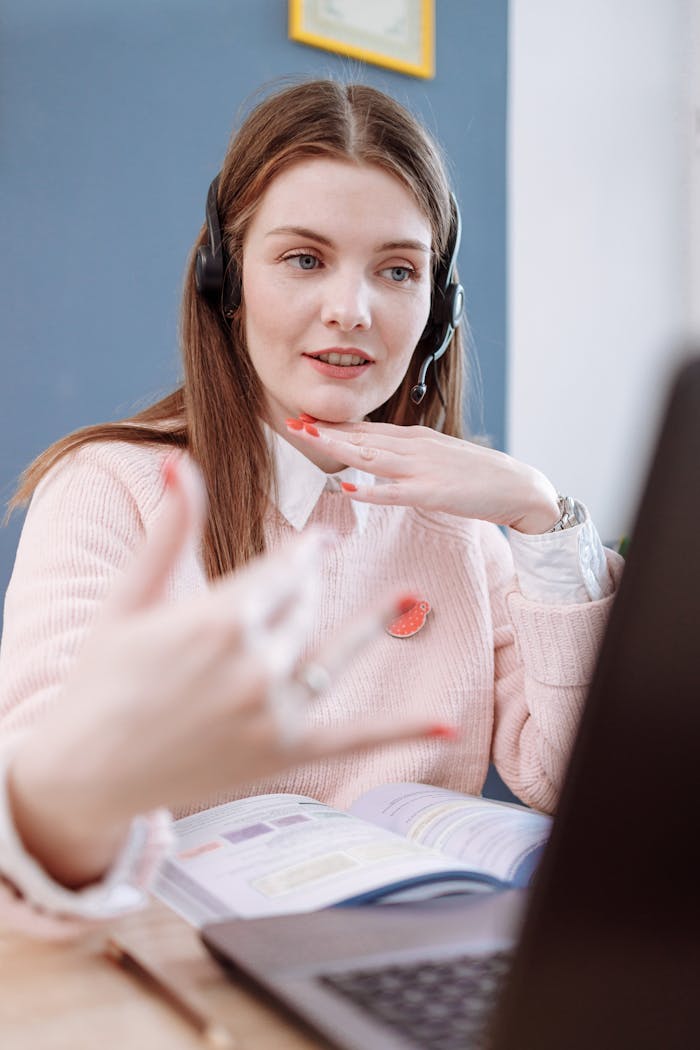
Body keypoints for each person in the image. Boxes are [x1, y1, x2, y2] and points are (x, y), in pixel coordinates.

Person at [1, 78, 621, 922]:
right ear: (228, 282)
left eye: (398, 270)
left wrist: (545, 523)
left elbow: (566, 779)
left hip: (397, 962)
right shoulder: (109, 490)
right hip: (178, 979)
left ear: (436, 309)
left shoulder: (466, 523)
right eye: (304, 259)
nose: (352, 311)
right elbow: (33, 820)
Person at [0, 454, 445, 935]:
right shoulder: (106, 481)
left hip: (431, 937)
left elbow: (536, 772)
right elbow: (49, 750)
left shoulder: (458, 510)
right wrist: (68, 807)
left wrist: (537, 527)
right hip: (176, 961)